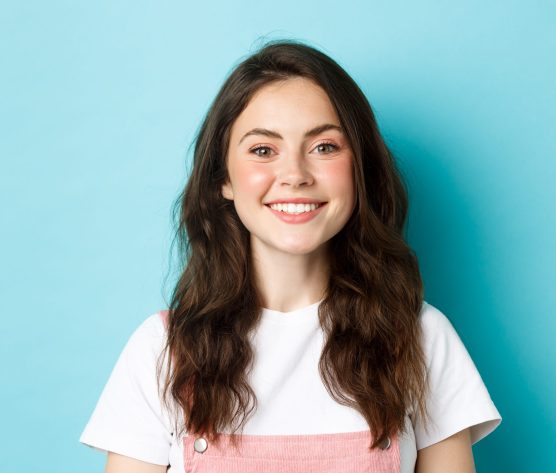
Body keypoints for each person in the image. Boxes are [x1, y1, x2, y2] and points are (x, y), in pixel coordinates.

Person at [80, 39, 501, 472]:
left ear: (361, 171)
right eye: (263, 150)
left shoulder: (420, 338)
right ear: (222, 178)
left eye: (324, 147)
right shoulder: (162, 350)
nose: (295, 175)